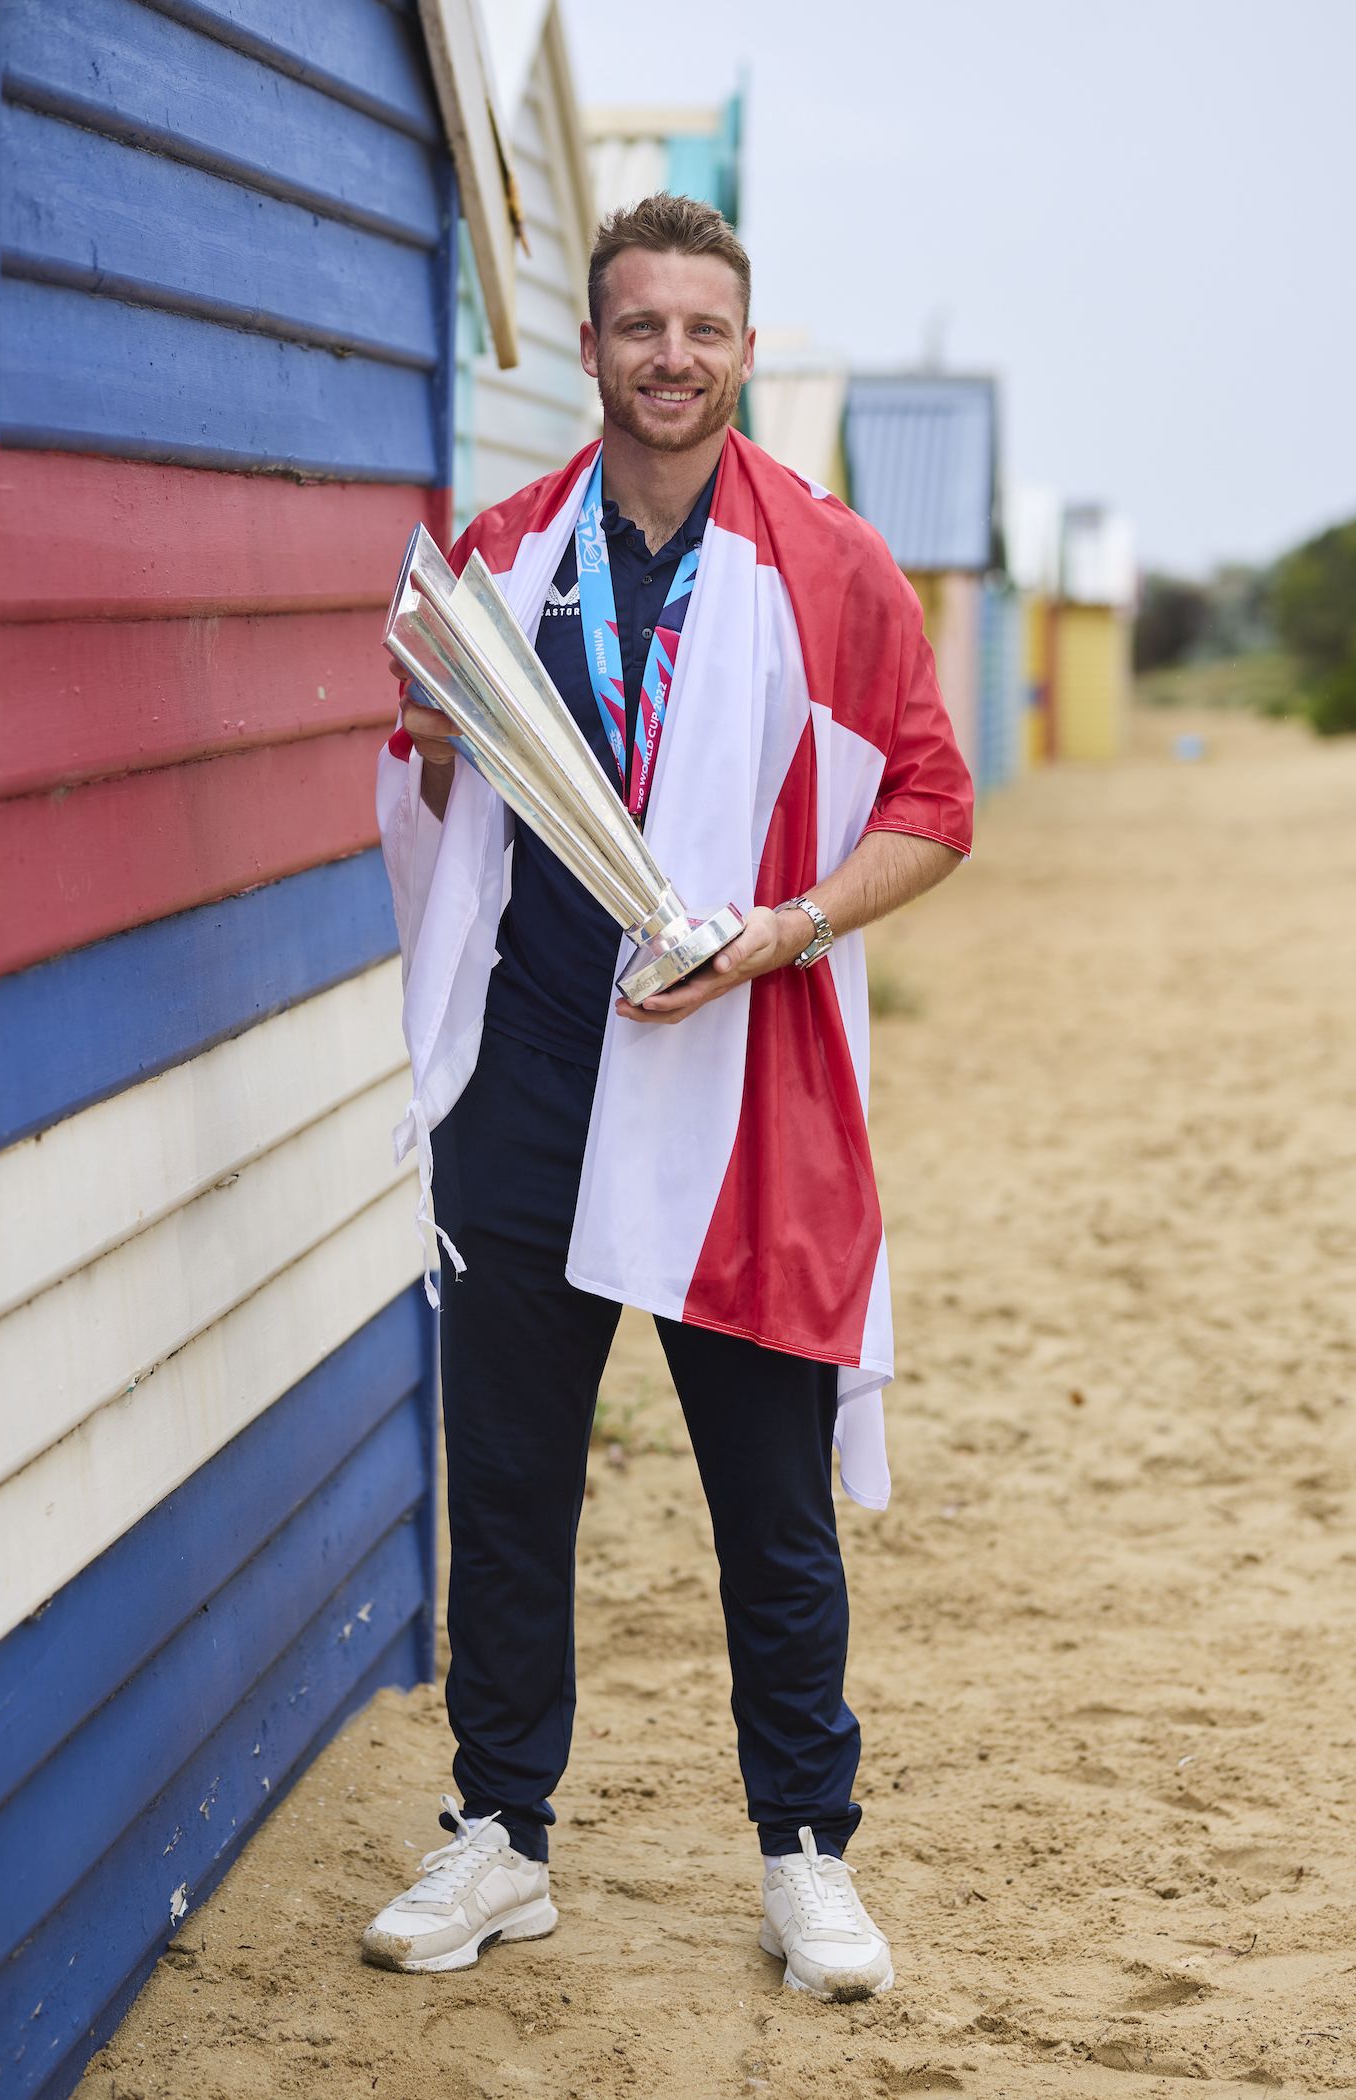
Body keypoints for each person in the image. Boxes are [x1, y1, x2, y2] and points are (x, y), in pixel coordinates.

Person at [365, 194, 973, 2002]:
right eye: (642, 327)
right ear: (595, 346)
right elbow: (424, 773)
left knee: (765, 1505)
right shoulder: (506, 552)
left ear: (747, 346)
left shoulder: (831, 565)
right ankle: (501, 1837)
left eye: (705, 329)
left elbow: (932, 805)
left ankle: (806, 1853)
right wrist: (432, 724)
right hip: (530, 1080)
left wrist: (786, 930)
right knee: (518, 1489)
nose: (674, 358)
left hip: (740, 1087)